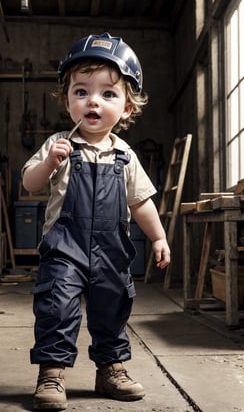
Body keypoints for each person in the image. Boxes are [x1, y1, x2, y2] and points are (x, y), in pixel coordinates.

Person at [22, 32, 170, 411]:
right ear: (68, 100)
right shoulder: (59, 145)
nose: (93, 100)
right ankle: (52, 374)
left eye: (108, 93)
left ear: (126, 109)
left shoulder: (125, 155)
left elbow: (141, 202)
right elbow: (30, 183)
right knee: (57, 307)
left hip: (110, 252)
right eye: (82, 91)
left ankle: (110, 370)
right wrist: (48, 163)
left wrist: (157, 237)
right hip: (64, 247)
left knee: (112, 309)